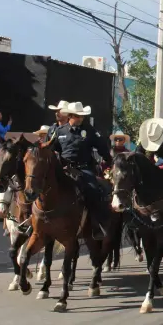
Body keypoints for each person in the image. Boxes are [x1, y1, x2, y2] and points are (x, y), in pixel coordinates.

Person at [51, 102, 113, 239]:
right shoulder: (60, 131)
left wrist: (109, 160)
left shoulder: (89, 130)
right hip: (63, 168)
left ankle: (97, 225)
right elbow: (52, 150)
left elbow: (102, 147)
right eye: (78, 116)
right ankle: (34, 221)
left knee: (94, 190)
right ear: (71, 116)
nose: (81, 119)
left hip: (83, 169)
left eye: (82, 116)